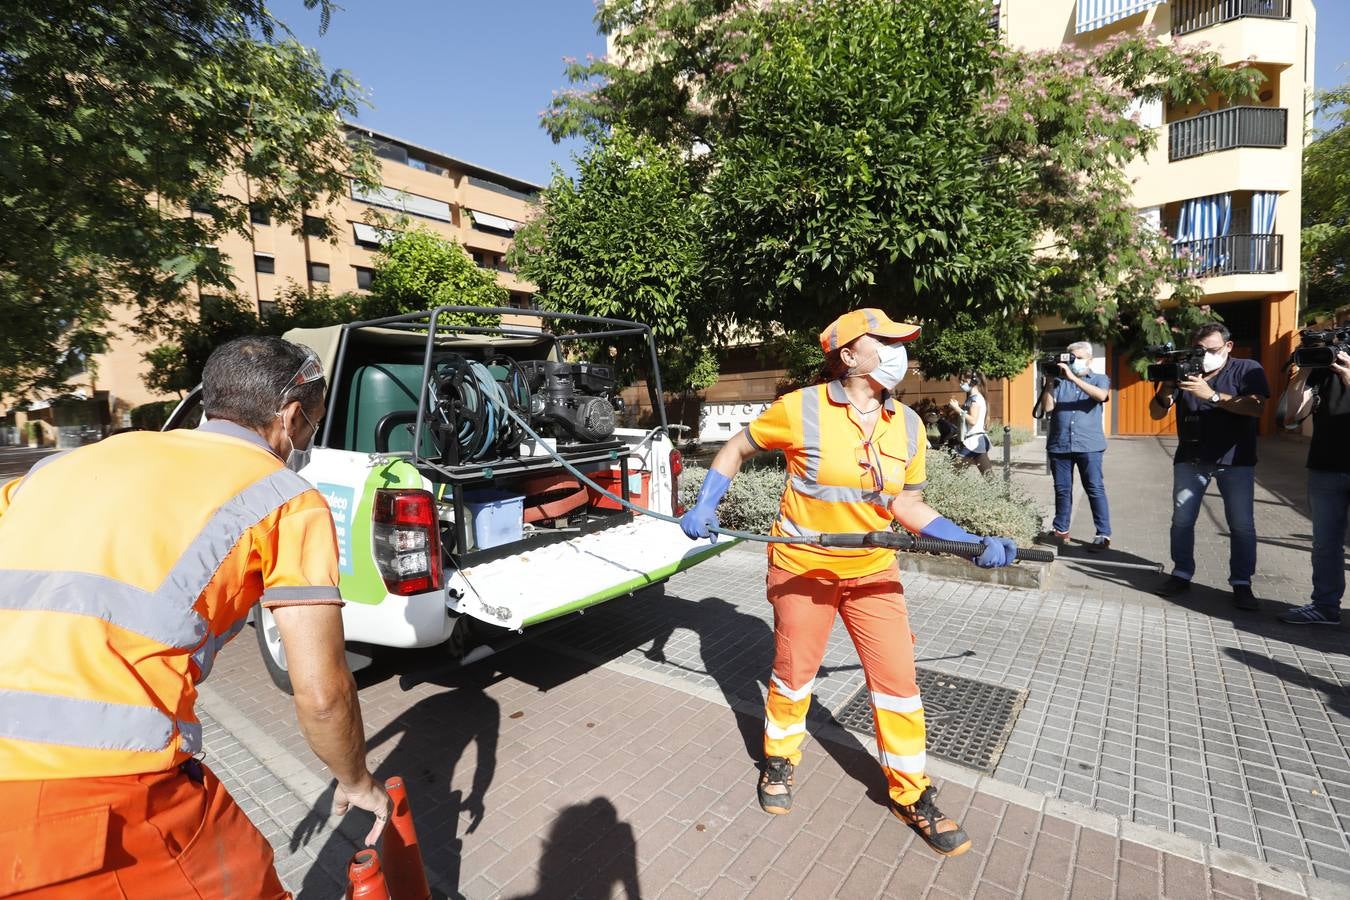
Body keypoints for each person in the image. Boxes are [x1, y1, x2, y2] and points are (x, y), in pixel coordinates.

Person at [0, 336, 390, 898]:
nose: (308, 438)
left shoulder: (66, 464)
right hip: (96, 795)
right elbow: (323, 692)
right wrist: (356, 780)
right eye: (314, 423)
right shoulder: (285, 498)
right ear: (291, 415)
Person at [679, 308, 1019, 858]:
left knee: (899, 684)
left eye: (898, 342)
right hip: (803, 569)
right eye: (883, 341)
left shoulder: (907, 424)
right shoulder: (801, 408)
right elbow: (737, 448)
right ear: (847, 354)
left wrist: (969, 541)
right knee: (793, 675)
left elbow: (906, 503)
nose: (897, 351)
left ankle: (911, 794)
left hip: (872, 571)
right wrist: (706, 502)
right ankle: (779, 761)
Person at [1150, 322, 1269, 610]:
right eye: (1199, 349)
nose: (1205, 355)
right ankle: (1181, 573)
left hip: (1235, 462)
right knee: (1182, 520)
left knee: (1241, 525)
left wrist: (1212, 396)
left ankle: (1242, 583)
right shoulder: (1187, 368)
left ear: (1228, 347)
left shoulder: (1246, 368)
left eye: (1212, 349)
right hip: (1190, 458)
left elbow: (1256, 407)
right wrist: (1167, 388)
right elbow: (1155, 413)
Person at [1276, 338, 1350, 625]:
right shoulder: (1321, 370)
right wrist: (1304, 370)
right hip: (1325, 466)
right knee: (1325, 545)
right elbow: (1293, 413)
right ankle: (1325, 606)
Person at [1039, 341, 1112, 551]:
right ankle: (1061, 530)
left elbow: (1101, 396)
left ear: (1089, 359)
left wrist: (1073, 378)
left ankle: (1103, 534)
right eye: (1072, 358)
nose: (1075, 362)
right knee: (1062, 489)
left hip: (1089, 444)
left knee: (1094, 488)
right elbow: (1048, 408)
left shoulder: (1099, 379)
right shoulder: (1060, 382)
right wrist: (1050, 383)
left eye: (1079, 358)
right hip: (1059, 444)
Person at [949, 373, 992, 474]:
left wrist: (957, 408)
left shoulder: (975, 400)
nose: (961, 384)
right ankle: (1001, 490)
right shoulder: (974, 398)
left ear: (973, 382)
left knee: (953, 474)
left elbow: (973, 421)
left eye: (964, 381)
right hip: (976, 442)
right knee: (989, 477)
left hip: (971, 443)